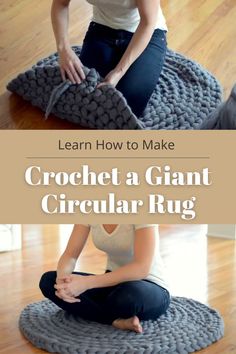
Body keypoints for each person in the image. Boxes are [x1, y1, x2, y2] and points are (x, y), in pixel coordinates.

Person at [40, 224, 170, 333]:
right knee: (49, 281)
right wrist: (62, 282)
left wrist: (86, 283)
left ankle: (101, 312)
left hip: (149, 285)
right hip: (112, 283)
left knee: (126, 297)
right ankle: (115, 321)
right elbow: (70, 255)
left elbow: (141, 268)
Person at [51, 0, 167, 117]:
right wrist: (63, 49)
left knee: (125, 107)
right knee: (81, 96)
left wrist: (119, 71)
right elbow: (60, 3)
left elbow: (148, 23)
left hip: (146, 31)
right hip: (102, 30)